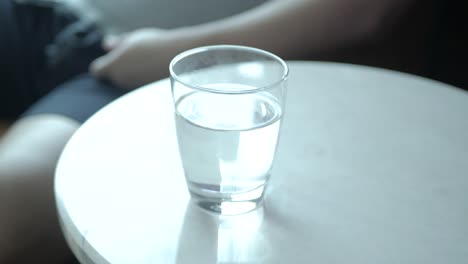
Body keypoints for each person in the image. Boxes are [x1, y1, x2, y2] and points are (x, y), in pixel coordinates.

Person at [0, 0, 415, 262]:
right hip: (34, 14)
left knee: (9, 210)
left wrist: (177, 55)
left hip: (133, 66)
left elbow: (364, 11)